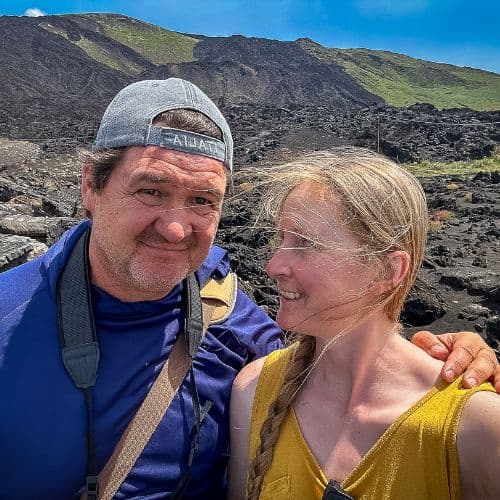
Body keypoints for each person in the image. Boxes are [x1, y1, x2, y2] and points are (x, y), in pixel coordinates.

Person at [0, 80, 497, 500]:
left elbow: (345, 347)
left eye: (202, 200)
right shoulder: (9, 315)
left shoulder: (238, 331)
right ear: (91, 185)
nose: (176, 229)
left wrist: (455, 358)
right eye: (150, 190)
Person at [228, 149, 500, 500]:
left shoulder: (475, 428)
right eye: (281, 239)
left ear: (389, 270)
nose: (274, 265)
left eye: (306, 243)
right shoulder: (253, 392)